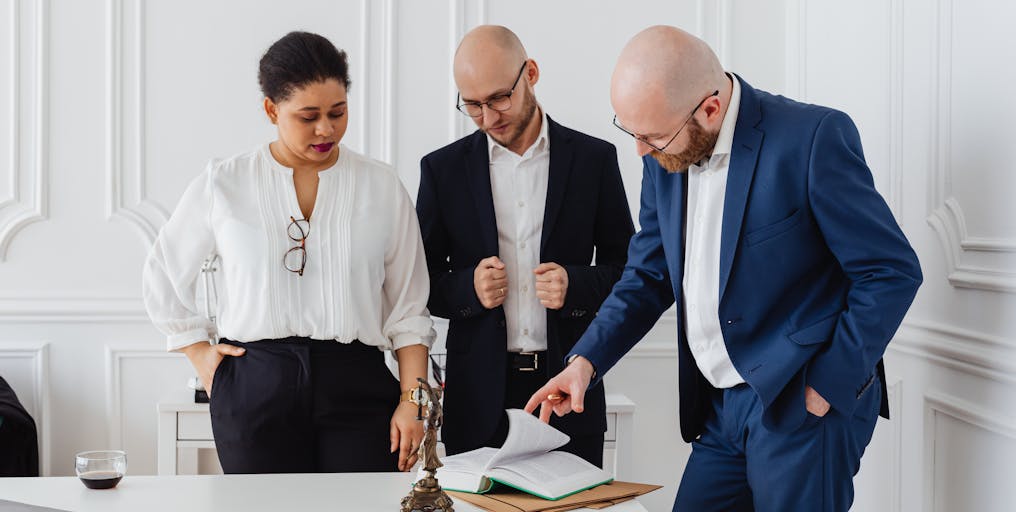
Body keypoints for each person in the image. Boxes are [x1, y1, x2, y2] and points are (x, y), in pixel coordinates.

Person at [526, 26, 922, 511]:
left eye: (651, 136)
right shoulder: (663, 151)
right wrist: (585, 362)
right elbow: (649, 275)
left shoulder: (813, 138)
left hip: (800, 404)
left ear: (710, 109)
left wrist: (825, 386)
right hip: (718, 409)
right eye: (631, 132)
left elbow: (891, 271)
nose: (641, 152)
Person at [142, 31, 434, 474]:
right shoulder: (224, 182)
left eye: (338, 112)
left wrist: (413, 401)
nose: (326, 129)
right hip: (254, 385)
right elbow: (162, 272)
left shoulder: (381, 186)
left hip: (357, 383)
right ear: (271, 110)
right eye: (308, 116)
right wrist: (199, 353)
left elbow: (409, 308)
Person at [416, 26, 634, 467]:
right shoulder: (442, 170)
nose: (488, 116)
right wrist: (468, 290)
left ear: (530, 73)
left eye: (499, 98)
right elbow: (419, 284)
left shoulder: (594, 160)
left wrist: (576, 284)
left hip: (567, 388)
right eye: (472, 105)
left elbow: (631, 272)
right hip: (476, 398)